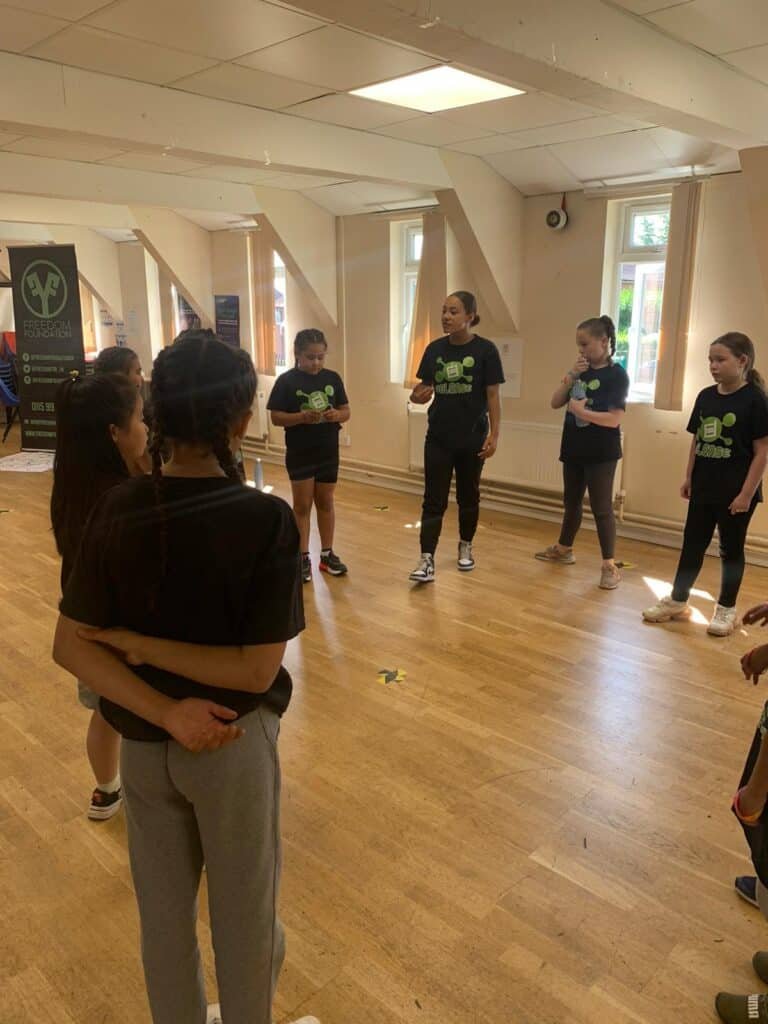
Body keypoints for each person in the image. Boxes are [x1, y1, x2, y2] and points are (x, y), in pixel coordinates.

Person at [52, 331, 316, 1024]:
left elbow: (72, 648)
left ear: (159, 410)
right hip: (230, 744)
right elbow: (256, 670)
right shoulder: (265, 520)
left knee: (163, 925)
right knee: (245, 920)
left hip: (144, 748)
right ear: (238, 420)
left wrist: (149, 671)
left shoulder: (117, 508)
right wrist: (174, 696)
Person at [50, 371, 149, 819]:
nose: (146, 429)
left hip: (86, 620)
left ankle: (106, 790)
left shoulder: (74, 486)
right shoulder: (121, 501)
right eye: (140, 419)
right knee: (136, 716)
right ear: (115, 433)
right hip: (119, 633)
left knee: (107, 714)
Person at [643, 332, 768, 636]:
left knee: (731, 550)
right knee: (692, 545)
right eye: (710, 360)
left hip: (736, 493)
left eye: (720, 359)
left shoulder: (755, 400)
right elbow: (698, 441)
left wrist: (746, 494)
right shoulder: (705, 396)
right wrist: (689, 477)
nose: (713, 365)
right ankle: (678, 599)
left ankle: (726, 609)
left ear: (742, 361)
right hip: (704, 487)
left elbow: (762, 450)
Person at [408, 291, 503, 583]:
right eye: (444, 311)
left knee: (468, 496)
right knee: (433, 499)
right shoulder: (435, 350)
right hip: (438, 436)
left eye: (453, 311)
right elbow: (422, 391)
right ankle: (426, 559)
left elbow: (492, 396)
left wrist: (495, 435)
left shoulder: (486, 351)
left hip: (472, 437)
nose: (446, 317)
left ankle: (466, 546)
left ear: (470, 316)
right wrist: (417, 396)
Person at [535, 315, 628, 590]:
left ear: (603, 341)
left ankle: (609, 565)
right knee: (571, 502)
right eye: (578, 345)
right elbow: (554, 402)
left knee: (601, 508)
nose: (581, 350)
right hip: (574, 447)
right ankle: (565, 549)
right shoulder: (580, 371)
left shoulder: (617, 375)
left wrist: (581, 411)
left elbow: (614, 419)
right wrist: (571, 374)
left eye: (585, 344)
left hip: (602, 451)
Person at [268, 328, 350, 584]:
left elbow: (345, 410)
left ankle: (327, 554)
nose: (316, 363)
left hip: (328, 450)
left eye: (320, 357)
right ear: (297, 354)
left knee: (325, 501)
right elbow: (276, 416)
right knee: (302, 505)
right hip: (300, 451)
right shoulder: (287, 381)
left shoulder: (333, 378)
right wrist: (301, 417)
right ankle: (303, 556)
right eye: (310, 357)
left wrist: (337, 415)